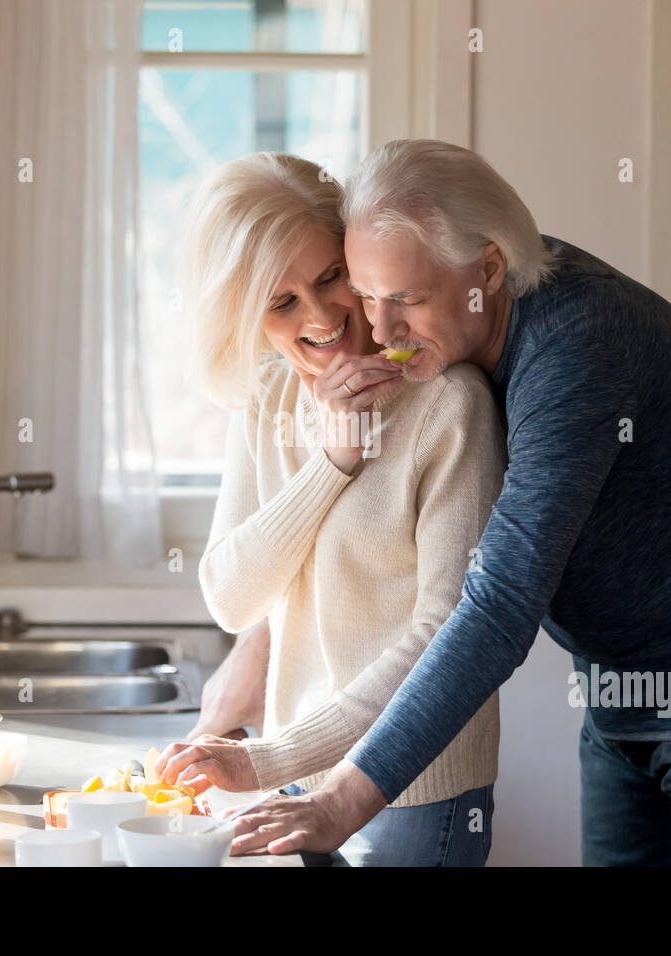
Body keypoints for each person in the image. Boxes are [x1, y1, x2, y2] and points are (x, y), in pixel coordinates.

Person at [218, 139, 671, 866]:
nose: (377, 332)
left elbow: (498, 604)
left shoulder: (579, 347)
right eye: (369, 294)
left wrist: (341, 800)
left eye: (406, 301)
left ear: (488, 269)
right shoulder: (463, 313)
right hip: (620, 692)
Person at [155, 152, 509, 865]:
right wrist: (331, 462)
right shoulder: (268, 397)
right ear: (247, 316)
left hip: (413, 791)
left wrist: (268, 757)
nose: (323, 318)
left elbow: (445, 633)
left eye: (329, 278)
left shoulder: (449, 404)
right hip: (292, 784)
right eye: (282, 303)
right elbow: (230, 596)